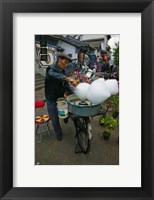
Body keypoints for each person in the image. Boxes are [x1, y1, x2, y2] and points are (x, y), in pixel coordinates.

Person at [45, 53, 77, 141]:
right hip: (51, 98)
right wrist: (66, 78)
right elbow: (53, 75)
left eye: (68, 63)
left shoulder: (64, 72)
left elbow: (67, 86)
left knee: (64, 113)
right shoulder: (50, 69)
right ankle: (58, 132)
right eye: (65, 62)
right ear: (59, 59)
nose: (66, 65)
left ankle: (66, 117)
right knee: (54, 118)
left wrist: (76, 92)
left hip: (60, 98)